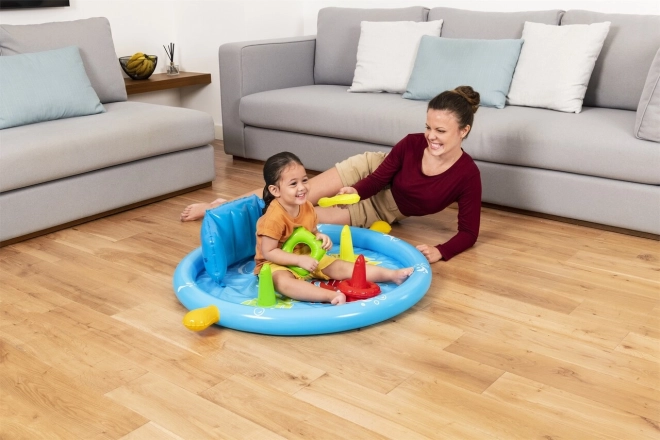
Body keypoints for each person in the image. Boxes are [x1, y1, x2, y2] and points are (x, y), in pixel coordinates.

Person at [181, 85, 482, 263]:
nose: (431, 136)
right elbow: (379, 178)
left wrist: (441, 251)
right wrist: (355, 191)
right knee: (294, 194)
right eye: (428, 127)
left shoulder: (467, 175)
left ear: (463, 131)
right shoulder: (411, 143)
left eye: (440, 130)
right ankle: (220, 207)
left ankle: (239, 223)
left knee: (302, 219)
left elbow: (469, 232)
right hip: (369, 173)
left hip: (383, 209)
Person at [254, 151, 413, 305]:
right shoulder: (274, 217)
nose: (302, 187)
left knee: (341, 267)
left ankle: (392, 275)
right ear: (275, 190)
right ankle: (331, 296)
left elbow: (311, 231)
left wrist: (319, 236)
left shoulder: (306, 206)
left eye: (305, 180)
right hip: (277, 264)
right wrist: (299, 260)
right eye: (293, 184)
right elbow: (269, 251)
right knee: (282, 282)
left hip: (307, 256)